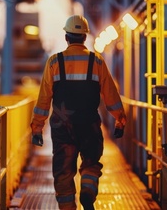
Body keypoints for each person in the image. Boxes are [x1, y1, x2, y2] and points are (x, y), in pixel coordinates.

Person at [30, 15, 127, 210]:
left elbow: (43, 99)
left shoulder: (53, 63)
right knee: (91, 163)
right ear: (84, 38)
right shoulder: (97, 62)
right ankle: (88, 190)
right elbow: (111, 95)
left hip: (61, 127)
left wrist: (37, 128)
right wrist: (120, 120)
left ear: (67, 37)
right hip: (89, 124)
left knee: (63, 172)